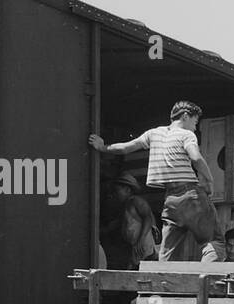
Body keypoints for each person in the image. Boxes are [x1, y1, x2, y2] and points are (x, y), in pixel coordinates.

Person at [89, 100, 218, 261]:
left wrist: (102, 147)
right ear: (185, 116)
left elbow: (125, 148)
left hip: (171, 201)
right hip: (190, 195)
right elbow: (196, 158)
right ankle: (208, 282)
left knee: (167, 254)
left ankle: (160, 283)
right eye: (195, 122)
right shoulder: (186, 135)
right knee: (213, 242)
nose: (195, 127)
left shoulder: (153, 134)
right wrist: (210, 180)